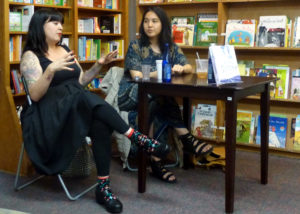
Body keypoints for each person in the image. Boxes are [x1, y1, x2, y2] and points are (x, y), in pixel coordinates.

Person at [20, 8, 168, 214]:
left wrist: (99, 65)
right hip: (47, 115)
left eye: (61, 23)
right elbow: (35, 96)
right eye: (54, 23)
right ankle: (137, 138)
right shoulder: (30, 56)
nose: (60, 27)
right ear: (39, 26)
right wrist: (50, 70)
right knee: (80, 96)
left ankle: (103, 187)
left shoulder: (64, 49)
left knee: (99, 121)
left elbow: (79, 81)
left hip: (72, 107)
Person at [118, 7, 213, 183]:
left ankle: (156, 161)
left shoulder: (170, 47)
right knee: (160, 95)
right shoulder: (136, 45)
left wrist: (181, 68)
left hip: (155, 97)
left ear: (163, 24)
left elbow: (189, 67)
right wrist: (163, 71)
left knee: (159, 100)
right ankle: (187, 138)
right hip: (131, 94)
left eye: (154, 21)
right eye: (146, 21)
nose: (149, 25)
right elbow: (137, 76)